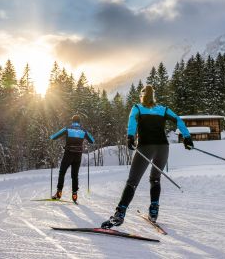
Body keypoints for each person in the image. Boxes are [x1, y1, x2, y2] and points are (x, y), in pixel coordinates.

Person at [101, 85, 193, 228]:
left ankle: (120, 214)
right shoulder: (163, 109)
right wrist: (186, 137)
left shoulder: (137, 108)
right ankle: (154, 211)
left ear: (142, 96)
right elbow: (178, 120)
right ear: (154, 97)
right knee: (155, 179)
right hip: (163, 148)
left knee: (132, 182)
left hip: (145, 147)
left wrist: (130, 137)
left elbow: (132, 120)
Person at [50, 115, 95, 203]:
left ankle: (59, 192)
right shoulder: (83, 130)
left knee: (62, 172)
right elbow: (92, 141)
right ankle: (74, 194)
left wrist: (51, 137)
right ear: (79, 122)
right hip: (78, 155)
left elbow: (55, 136)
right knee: (75, 175)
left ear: (72, 121)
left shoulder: (67, 128)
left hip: (68, 154)